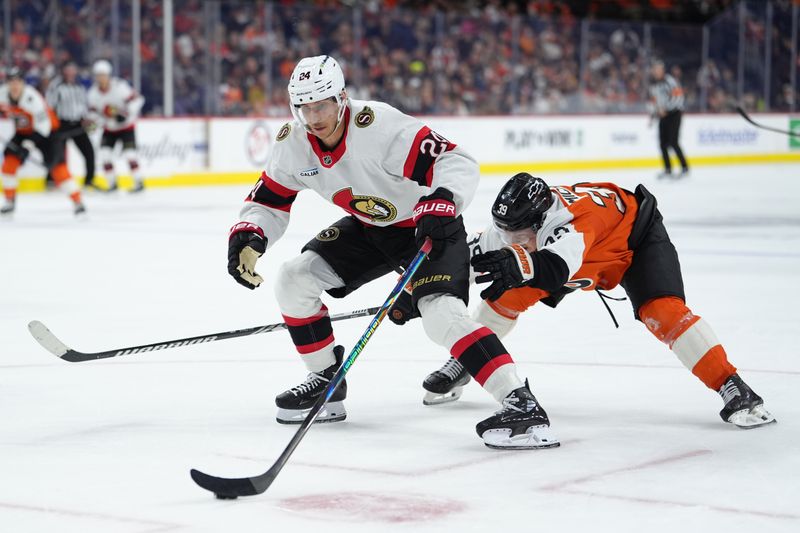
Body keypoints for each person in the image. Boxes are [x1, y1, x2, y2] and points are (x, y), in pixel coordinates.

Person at [227, 55, 559, 450]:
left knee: (440, 314)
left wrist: (442, 200)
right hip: (369, 228)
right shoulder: (293, 144)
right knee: (293, 278)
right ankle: (325, 382)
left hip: (426, 226)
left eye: (321, 106)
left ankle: (521, 403)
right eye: (304, 108)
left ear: (342, 99)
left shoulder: (379, 127)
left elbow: (455, 161)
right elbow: (269, 200)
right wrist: (251, 236)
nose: (313, 118)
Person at [400, 173, 774, 430]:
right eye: (506, 233)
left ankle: (733, 385)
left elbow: (556, 269)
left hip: (632, 242)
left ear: (542, 220)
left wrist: (520, 263)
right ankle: (467, 360)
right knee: (505, 292)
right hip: (574, 256)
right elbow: (461, 262)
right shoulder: (513, 226)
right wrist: (417, 290)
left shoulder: (573, 221)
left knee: (663, 313)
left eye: (520, 234)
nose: (511, 240)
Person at [0, 67, 85, 216]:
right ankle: (9, 201)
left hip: (48, 134)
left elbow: (43, 127)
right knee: (9, 163)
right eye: (11, 82)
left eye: (17, 82)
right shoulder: (2, 94)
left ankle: (77, 201)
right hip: (23, 132)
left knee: (58, 168)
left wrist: (27, 146)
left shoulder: (32, 98)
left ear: (23, 83)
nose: (14, 86)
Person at [86, 60, 145, 192]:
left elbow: (138, 100)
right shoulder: (92, 93)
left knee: (130, 155)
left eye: (103, 75)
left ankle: (139, 182)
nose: (101, 78)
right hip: (109, 129)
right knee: (104, 155)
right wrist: (93, 124)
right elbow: (93, 114)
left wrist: (126, 114)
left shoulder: (120, 86)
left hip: (126, 128)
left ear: (109, 75)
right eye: (98, 75)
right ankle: (112, 183)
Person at [46, 61, 96, 190]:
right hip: (61, 124)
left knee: (89, 152)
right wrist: (53, 125)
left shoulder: (79, 87)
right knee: (57, 154)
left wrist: (87, 119)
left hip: (78, 124)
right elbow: (49, 106)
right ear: (63, 71)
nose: (71, 72)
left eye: (73, 69)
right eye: (68, 69)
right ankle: (51, 180)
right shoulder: (56, 86)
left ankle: (89, 180)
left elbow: (83, 106)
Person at [649, 60, 689, 179]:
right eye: (654, 70)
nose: (656, 72)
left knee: (673, 142)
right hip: (663, 116)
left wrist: (666, 109)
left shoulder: (670, 81)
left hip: (674, 114)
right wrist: (654, 114)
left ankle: (685, 168)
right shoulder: (654, 85)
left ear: (662, 70)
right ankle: (668, 169)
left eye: (658, 69)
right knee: (662, 144)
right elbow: (655, 100)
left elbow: (678, 97)